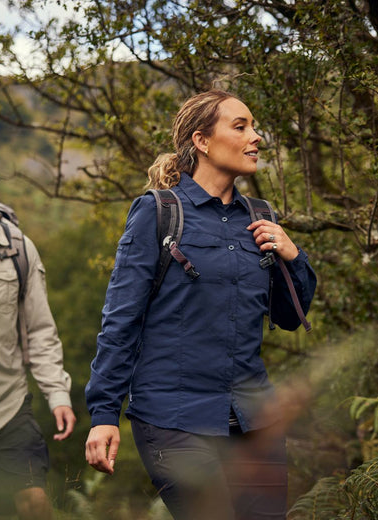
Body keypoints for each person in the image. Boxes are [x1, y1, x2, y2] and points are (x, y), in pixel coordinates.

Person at [85, 90, 317, 520]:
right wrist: (104, 414)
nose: (256, 137)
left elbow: (288, 318)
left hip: (255, 420)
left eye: (254, 127)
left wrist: (293, 255)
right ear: (202, 141)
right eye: (240, 126)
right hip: (173, 418)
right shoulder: (158, 212)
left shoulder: (261, 217)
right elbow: (121, 320)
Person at [0, 148, 76, 520]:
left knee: (34, 503)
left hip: (8, 409)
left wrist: (57, 394)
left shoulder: (18, 249)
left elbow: (40, 331)